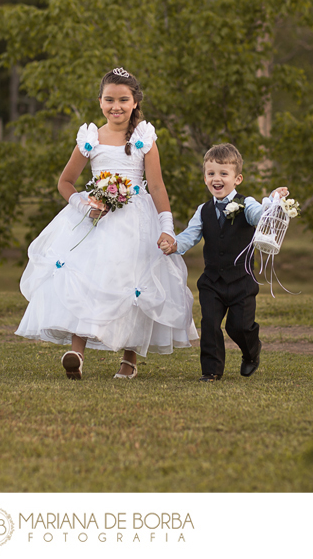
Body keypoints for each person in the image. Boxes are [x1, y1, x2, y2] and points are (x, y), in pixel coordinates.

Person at [16, 67, 198, 379]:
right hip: (97, 219)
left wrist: (166, 225)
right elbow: (66, 182)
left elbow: (156, 186)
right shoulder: (90, 138)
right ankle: (76, 351)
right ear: (100, 102)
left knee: (133, 283)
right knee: (87, 277)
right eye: (110, 100)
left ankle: (129, 359)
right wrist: (83, 203)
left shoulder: (144, 139)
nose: (116, 106)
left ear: (135, 101)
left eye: (123, 100)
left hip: (136, 221)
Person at [159, 143, 288, 382]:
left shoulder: (246, 204)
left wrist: (272, 201)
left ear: (237, 178)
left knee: (238, 327)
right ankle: (211, 370)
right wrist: (174, 244)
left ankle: (252, 352)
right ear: (205, 177)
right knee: (209, 323)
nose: (216, 179)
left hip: (241, 280)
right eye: (211, 174)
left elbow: (260, 216)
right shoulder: (203, 210)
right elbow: (190, 235)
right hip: (212, 281)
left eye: (223, 174)